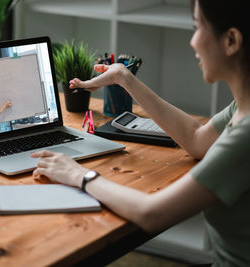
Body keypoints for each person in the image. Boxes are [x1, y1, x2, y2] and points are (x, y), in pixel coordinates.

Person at [31, 1, 250, 266]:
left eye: (197, 27)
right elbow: (197, 139)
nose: (192, 42)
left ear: (231, 40)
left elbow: (152, 213)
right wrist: (124, 78)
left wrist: (79, 175)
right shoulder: (242, 105)